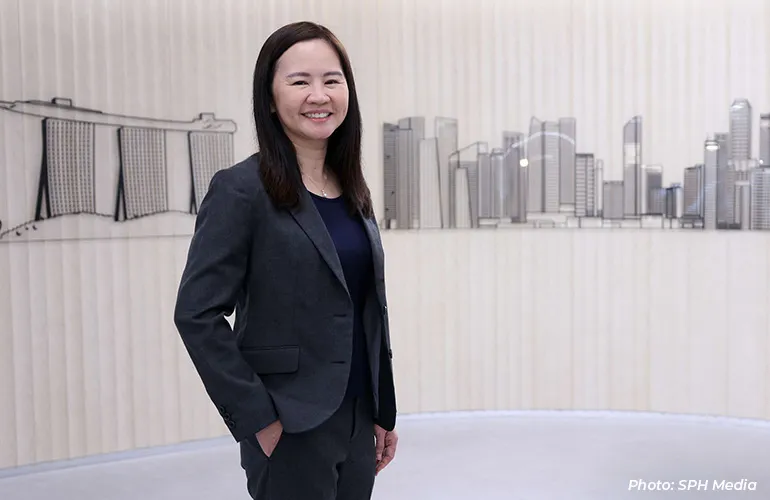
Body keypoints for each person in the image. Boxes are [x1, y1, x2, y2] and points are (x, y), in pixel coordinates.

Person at [173, 21, 398, 500]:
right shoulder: (240, 190)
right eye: (300, 81)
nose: (319, 95)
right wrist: (259, 419)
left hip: (358, 417)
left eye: (332, 80)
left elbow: (367, 308)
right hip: (289, 423)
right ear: (271, 99)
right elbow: (196, 313)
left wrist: (382, 410)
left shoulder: (352, 189)